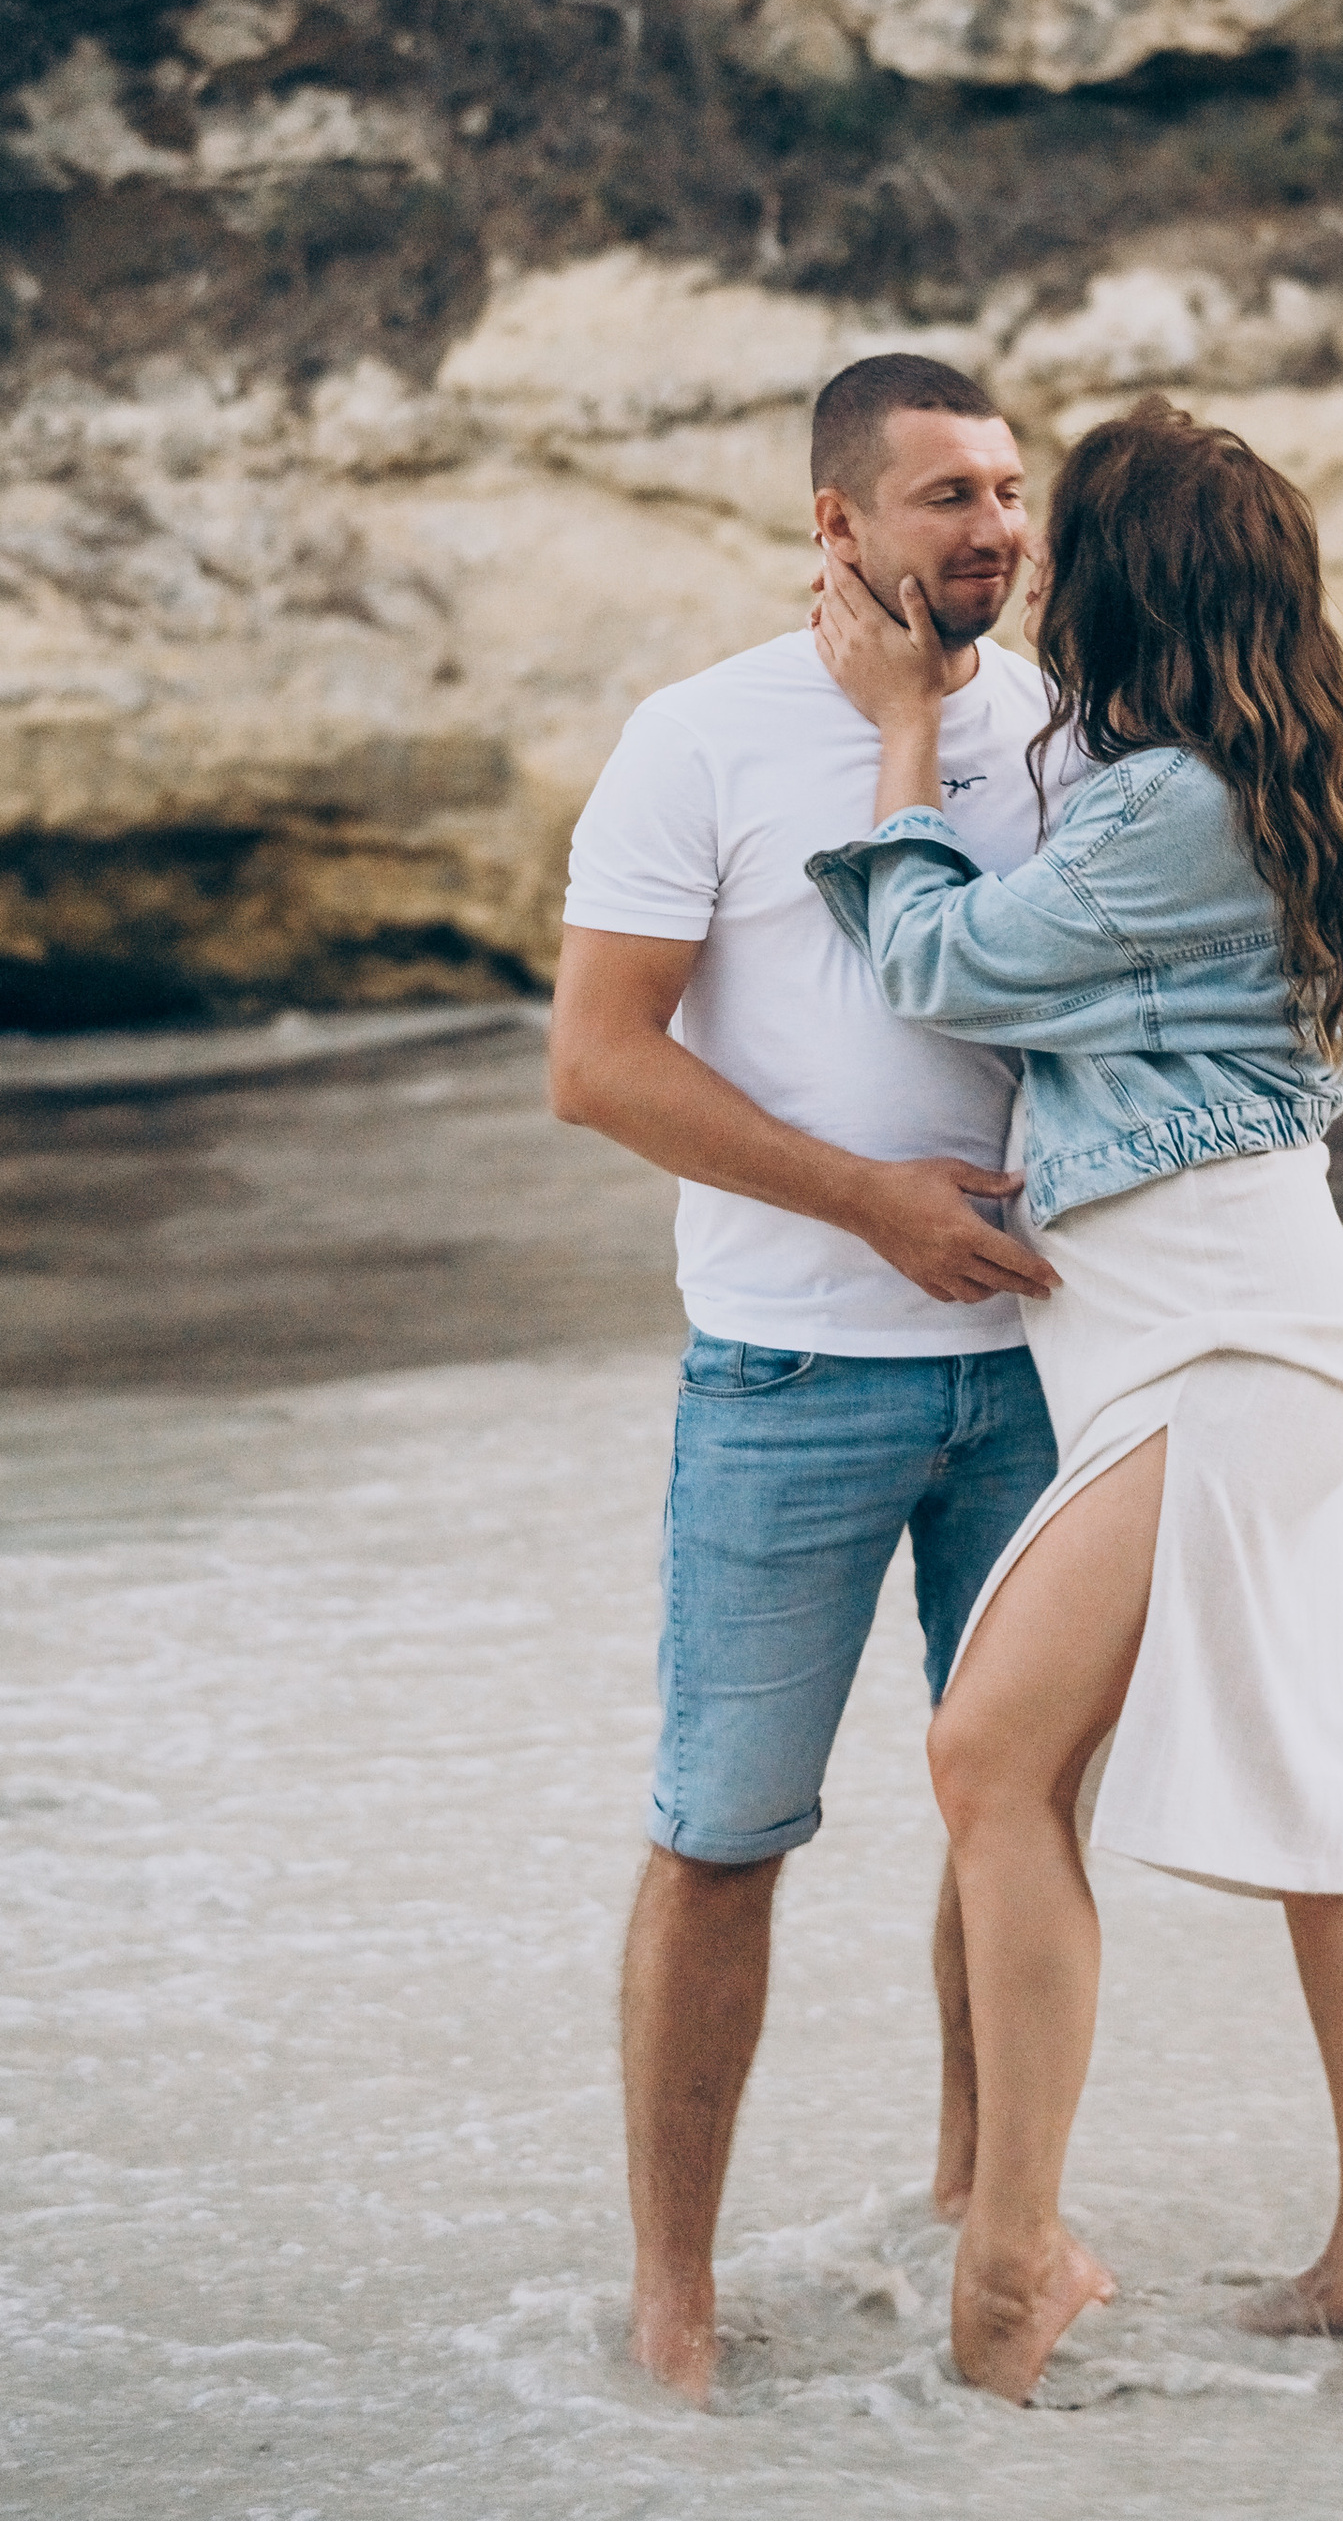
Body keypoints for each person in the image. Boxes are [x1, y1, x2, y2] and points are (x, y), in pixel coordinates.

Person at [807, 393, 1343, 2404]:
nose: (1028, 565)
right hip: (1217, 1335)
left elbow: (942, 966)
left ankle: (1013, 2255)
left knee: (987, 1757)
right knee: (1315, 1797)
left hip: (1224, 1346)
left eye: (1057, 538)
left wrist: (900, 735)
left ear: (1126, 586)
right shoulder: (1207, 778)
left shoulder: (1171, 802)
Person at [547, 352, 1068, 2402]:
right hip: (790, 1375)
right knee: (723, 1830)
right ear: (836, 524)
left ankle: (977, 2212)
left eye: (1009, 489)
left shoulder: (1064, 727)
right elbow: (598, 1064)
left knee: (1016, 1809)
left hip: (1044, 1372)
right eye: (948, 496)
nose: (996, 528)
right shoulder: (700, 736)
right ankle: (674, 2295)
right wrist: (868, 1204)